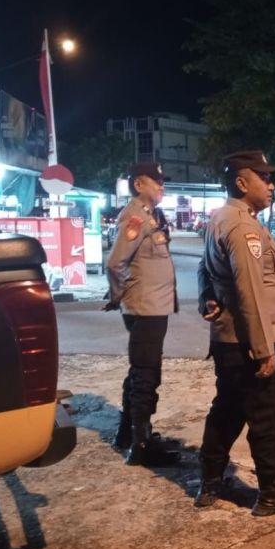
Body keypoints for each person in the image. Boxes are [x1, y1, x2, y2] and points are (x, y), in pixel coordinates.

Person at [195, 150, 275, 516]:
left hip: (229, 338)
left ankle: (210, 483)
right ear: (241, 182)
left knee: (228, 410)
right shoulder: (242, 227)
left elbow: (204, 267)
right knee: (271, 416)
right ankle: (271, 495)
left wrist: (206, 296)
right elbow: (250, 289)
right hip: (251, 339)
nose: (270, 184)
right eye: (263, 177)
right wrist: (263, 348)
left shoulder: (221, 217)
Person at [104, 162, 180, 467]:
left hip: (153, 305)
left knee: (141, 370)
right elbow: (115, 263)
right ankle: (141, 445)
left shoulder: (150, 215)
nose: (162, 186)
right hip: (146, 306)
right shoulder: (135, 217)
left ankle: (128, 433)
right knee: (147, 373)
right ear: (139, 184)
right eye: (156, 181)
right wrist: (119, 297)